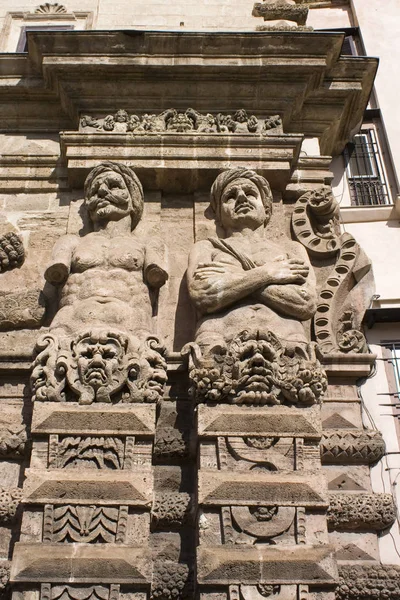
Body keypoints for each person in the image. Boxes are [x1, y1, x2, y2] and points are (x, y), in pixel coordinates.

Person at [187, 168, 317, 354]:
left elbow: (306, 303)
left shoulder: (292, 249)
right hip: (218, 345)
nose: (241, 198)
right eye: (230, 196)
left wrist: (231, 280)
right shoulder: (206, 248)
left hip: (289, 346)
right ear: (219, 216)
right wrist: (269, 273)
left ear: (266, 209)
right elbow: (203, 295)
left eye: (250, 193)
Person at [45, 162, 168, 339]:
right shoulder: (70, 242)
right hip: (69, 322)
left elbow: (157, 277)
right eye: (94, 190)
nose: (102, 192)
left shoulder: (148, 244)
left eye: (113, 185)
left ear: (133, 199)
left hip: (133, 323)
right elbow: (55, 277)